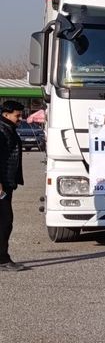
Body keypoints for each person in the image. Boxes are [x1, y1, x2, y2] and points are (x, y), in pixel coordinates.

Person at [0, 100, 27, 272]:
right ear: (6, 114)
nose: (20, 118)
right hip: (2, 184)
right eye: (17, 115)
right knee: (4, 221)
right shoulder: (2, 131)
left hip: (7, 183)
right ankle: (2, 260)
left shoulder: (8, 129)